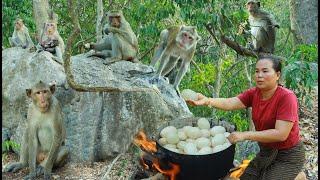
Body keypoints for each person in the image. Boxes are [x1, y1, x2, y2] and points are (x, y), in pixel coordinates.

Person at [186, 56, 306, 180]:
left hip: (288, 155)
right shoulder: (254, 93)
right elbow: (229, 103)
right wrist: (207, 100)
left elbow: (281, 134)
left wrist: (244, 135)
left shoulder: (287, 97)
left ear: (277, 75)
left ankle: (298, 177)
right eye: (256, 71)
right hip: (266, 151)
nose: (259, 75)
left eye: (265, 71)